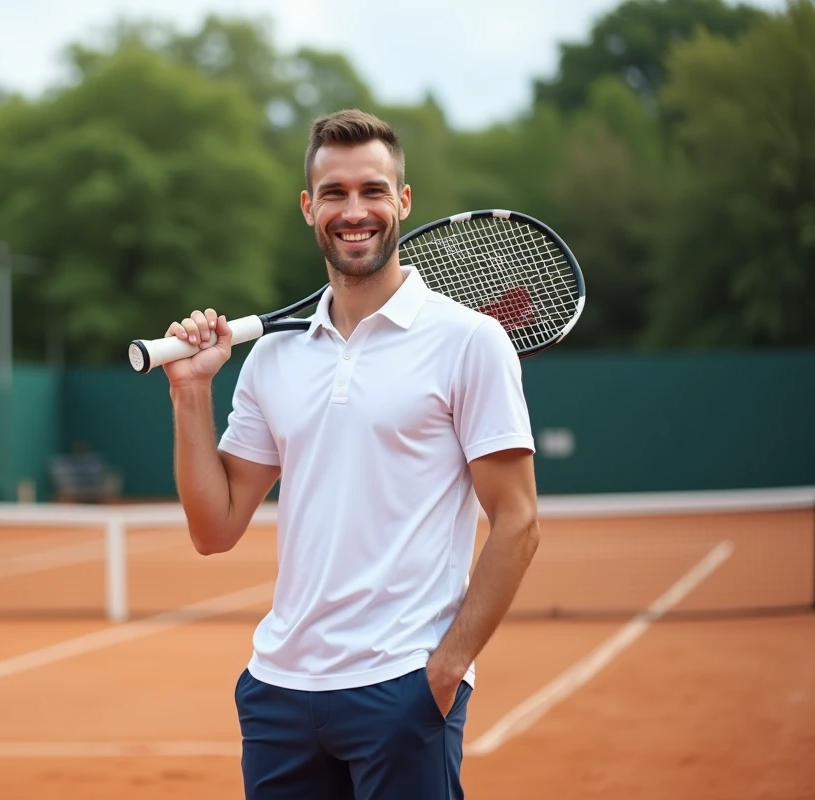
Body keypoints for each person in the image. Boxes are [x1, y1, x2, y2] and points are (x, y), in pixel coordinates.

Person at [161, 108, 540, 799]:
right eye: (334, 193)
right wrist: (190, 393)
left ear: (403, 201)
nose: (354, 209)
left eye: (372, 190)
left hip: (403, 688)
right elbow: (213, 530)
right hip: (280, 693)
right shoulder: (273, 357)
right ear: (310, 208)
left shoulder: (469, 341)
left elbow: (518, 523)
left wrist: (444, 673)